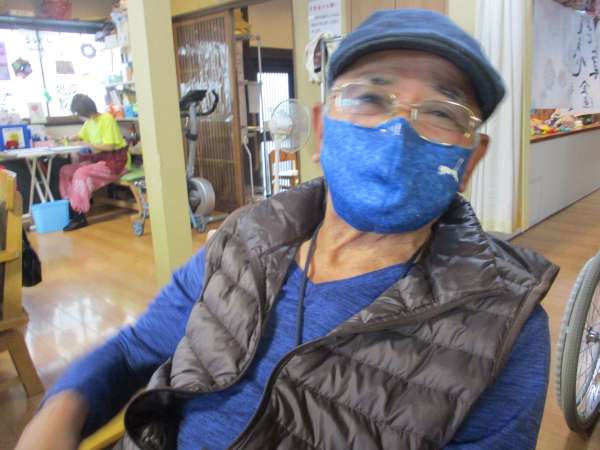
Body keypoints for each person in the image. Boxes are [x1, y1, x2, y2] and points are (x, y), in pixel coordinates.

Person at [16, 9, 558, 450]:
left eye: (442, 112)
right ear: (320, 129)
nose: (398, 131)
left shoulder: (504, 325)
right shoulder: (246, 235)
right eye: (370, 98)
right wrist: (59, 412)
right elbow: (137, 348)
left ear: (470, 158)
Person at [59, 94, 128, 231]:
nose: (79, 116)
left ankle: (80, 215)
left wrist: (88, 144)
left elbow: (110, 146)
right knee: (65, 171)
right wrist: (70, 138)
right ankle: (71, 208)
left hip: (115, 161)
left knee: (81, 174)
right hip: (98, 159)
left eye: (79, 113)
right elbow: (81, 135)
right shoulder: (89, 122)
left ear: (85, 111)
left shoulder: (107, 119)